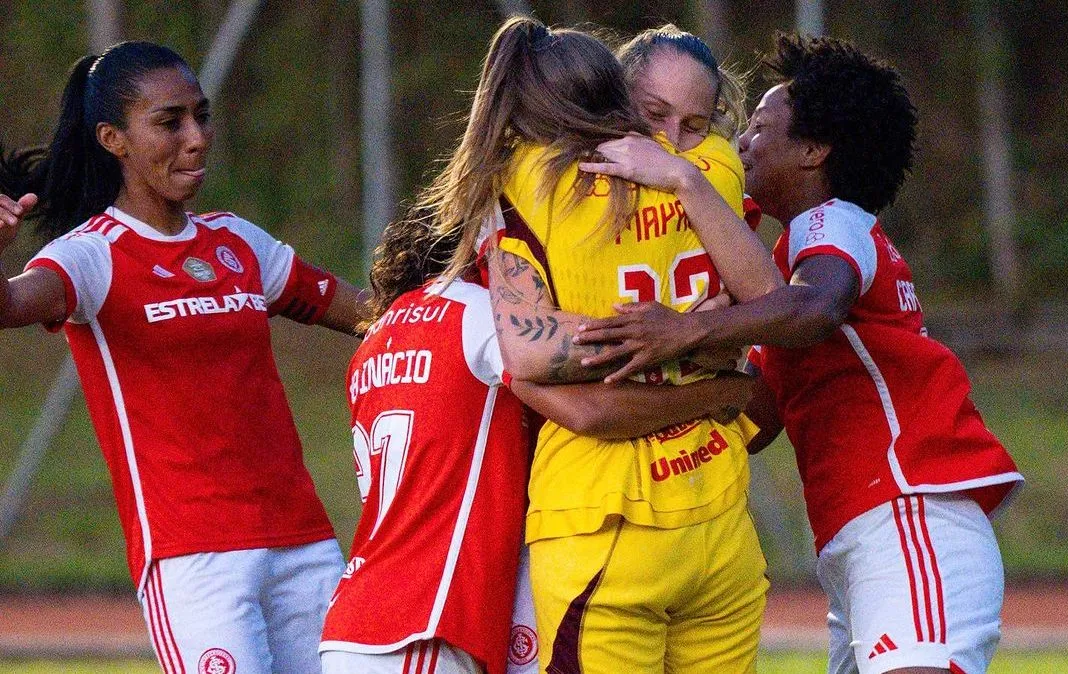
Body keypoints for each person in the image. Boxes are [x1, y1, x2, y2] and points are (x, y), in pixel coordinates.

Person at [575, 33, 1024, 674]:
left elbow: (815, 312)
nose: (739, 145)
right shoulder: (781, 276)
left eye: (758, 127)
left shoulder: (830, 223)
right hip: (859, 535)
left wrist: (685, 331)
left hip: (908, 513)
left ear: (813, 151)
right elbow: (755, 421)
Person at [416, 16, 784, 673]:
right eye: (654, 116)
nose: (672, 141)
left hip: (600, 524)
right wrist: (695, 343)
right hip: (718, 503)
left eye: (690, 124)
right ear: (616, 97)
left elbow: (529, 357)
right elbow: (768, 304)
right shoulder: (716, 168)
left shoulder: (529, 180)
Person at [0, 42, 366, 673]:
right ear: (113, 138)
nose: (197, 138)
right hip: (192, 559)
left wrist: (465, 286)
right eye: (171, 123)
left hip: (304, 543)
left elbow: (368, 312)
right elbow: (8, 307)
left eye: (202, 115)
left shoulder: (238, 242)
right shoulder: (90, 256)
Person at [318, 215, 758, 674]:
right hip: (424, 625)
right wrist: (704, 363)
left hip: (366, 613)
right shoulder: (477, 314)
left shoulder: (374, 343)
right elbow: (589, 406)